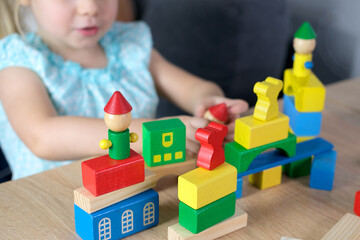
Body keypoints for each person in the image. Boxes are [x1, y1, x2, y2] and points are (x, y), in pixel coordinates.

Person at [0, 0, 248, 180]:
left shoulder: (130, 44)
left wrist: (209, 99)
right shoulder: (18, 58)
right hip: (48, 199)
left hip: (137, 186)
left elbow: (192, 87)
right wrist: (153, 134)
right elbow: (43, 136)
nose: (89, 7)